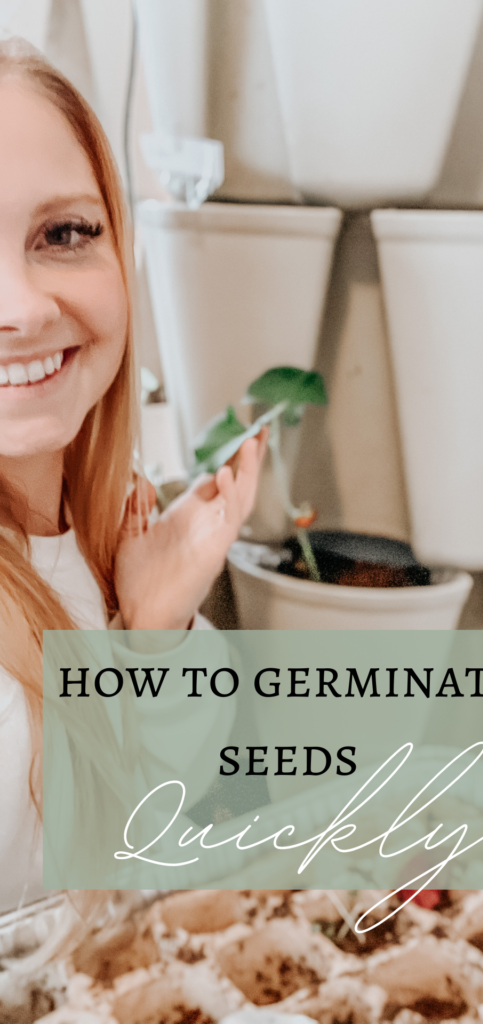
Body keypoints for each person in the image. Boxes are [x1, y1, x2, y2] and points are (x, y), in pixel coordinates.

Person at [0, 38, 267, 914]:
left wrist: (150, 632)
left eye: (63, 234)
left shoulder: (92, 539)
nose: (25, 307)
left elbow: (131, 862)